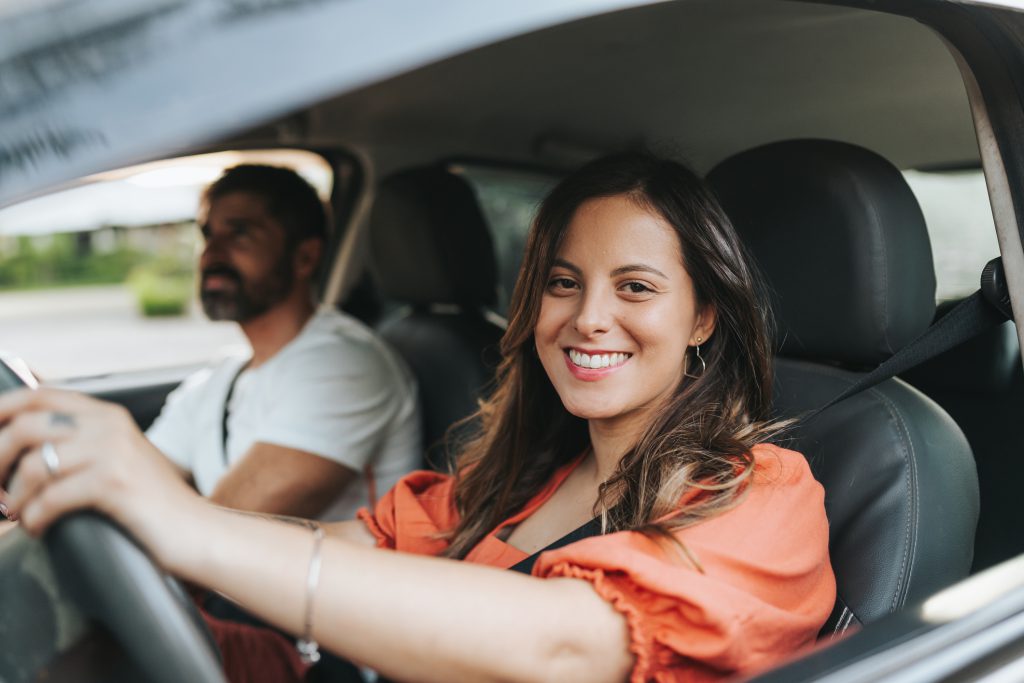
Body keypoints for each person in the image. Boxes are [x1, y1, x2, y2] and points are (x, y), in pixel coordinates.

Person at [0, 152, 835, 683]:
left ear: (702, 317)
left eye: (636, 287)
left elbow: (562, 647)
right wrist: (111, 514)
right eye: (563, 282)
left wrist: (184, 524)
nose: (588, 318)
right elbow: (340, 550)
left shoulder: (759, 495)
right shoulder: (510, 482)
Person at [144, 164, 421, 522]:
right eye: (208, 235)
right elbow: (139, 477)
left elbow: (227, 532)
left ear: (305, 257)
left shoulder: (345, 367)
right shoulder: (221, 376)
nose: (211, 255)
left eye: (240, 233)